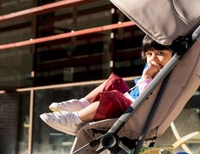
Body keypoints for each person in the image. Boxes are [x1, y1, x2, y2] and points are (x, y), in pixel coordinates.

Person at [40, 36, 171, 135]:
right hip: (129, 100)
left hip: (135, 110)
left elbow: (147, 99)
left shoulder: (166, 76)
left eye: (160, 53)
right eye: (149, 54)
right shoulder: (153, 67)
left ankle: (75, 119)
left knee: (112, 97)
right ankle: (82, 104)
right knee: (115, 81)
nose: (153, 59)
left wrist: (147, 77)